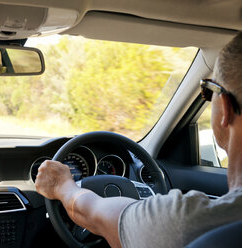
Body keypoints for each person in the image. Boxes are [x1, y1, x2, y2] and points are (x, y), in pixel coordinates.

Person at [35, 32, 242, 248]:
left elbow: (94, 213)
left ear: (225, 108)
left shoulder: (184, 222)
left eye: (209, 92)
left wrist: (63, 186)